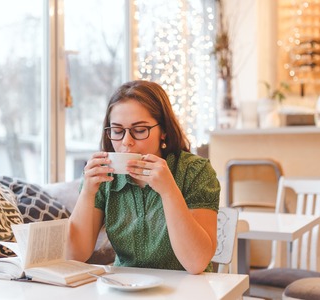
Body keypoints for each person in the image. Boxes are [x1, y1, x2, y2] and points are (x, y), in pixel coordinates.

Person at [67, 80, 220, 274]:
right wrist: (88, 192)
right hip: (123, 287)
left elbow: (196, 263)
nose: (126, 142)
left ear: (163, 131)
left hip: (187, 288)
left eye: (139, 130)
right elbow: (74, 255)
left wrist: (168, 191)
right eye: (117, 131)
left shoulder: (195, 171)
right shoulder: (104, 177)